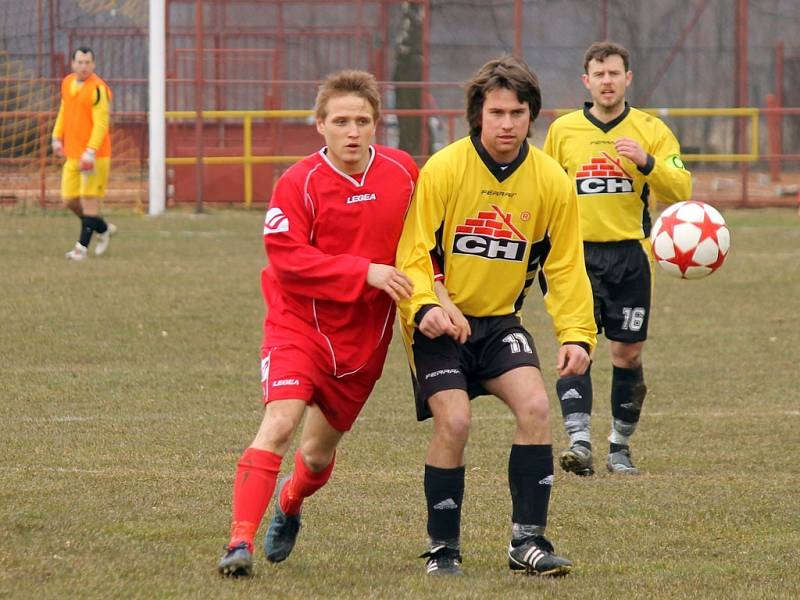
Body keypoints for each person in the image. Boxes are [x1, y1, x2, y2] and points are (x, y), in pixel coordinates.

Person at [395, 56, 596, 577]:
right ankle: (443, 549)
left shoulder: (551, 180)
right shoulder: (444, 169)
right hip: (438, 324)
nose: (507, 123)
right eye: (497, 112)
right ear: (477, 115)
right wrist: (427, 306)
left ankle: (527, 543)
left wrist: (576, 334)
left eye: (518, 112)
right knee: (455, 419)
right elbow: (413, 254)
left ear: (533, 117)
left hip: (500, 322)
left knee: (535, 407)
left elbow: (567, 266)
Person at [217, 70, 418, 578]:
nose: (353, 132)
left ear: (377, 124)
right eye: (341, 121)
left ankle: (291, 500)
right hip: (297, 325)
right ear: (320, 125)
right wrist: (364, 271)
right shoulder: (297, 182)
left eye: (363, 121)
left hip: (362, 340)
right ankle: (238, 542)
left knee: (315, 455)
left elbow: (424, 245)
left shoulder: (403, 173)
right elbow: (287, 259)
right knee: (280, 423)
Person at [543, 41, 692, 476]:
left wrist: (647, 162)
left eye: (614, 74)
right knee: (577, 347)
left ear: (628, 79)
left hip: (630, 255)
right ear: (586, 81)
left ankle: (619, 446)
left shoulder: (651, 129)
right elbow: (546, 187)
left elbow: (680, 188)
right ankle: (580, 442)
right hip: (575, 257)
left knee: (626, 354)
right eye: (599, 74)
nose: (607, 81)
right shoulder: (564, 130)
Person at [52, 47, 116, 261]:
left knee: (89, 201)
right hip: (73, 153)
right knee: (69, 199)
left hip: (95, 157)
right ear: (72, 64)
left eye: (88, 62)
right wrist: (56, 136)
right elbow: (64, 110)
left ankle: (81, 249)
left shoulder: (98, 89)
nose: (84, 67)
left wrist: (91, 151)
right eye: (80, 62)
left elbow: (101, 123)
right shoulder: (67, 83)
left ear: (94, 64)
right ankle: (102, 228)